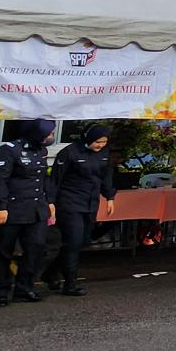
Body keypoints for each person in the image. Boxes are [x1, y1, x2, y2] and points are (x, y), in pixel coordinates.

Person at [0, 118, 55, 308]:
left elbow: (42, 179)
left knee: (36, 249)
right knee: (2, 251)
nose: (51, 137)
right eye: (49, 134)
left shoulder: (41, 150)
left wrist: (49, 201)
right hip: (10, 210)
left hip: (35, 209)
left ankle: (24, 287)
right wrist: (0, 206)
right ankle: (0, 291)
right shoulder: (8, 150)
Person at [46, 125, 117, 296]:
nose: (100, 145)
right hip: (69, 202)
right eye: (97, 142)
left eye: (104, 142)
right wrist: (51, 201)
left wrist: (109, 197)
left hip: (90, 202)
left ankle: (50, 272)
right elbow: (55, 179)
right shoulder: (69, 153)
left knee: (83, 240)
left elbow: (106, 176)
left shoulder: (103, 154)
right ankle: (70, 283)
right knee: (73, 240)